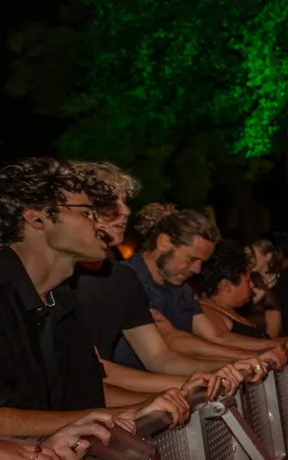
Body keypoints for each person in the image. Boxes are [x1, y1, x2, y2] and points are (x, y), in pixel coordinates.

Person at [0, 157, 189, 437]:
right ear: (37, 218)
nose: (99, 224)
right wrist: (126, 413)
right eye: (87, 213)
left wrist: (157, 400)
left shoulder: (61, 298)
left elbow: (86, 394)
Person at [68, 161, 246, 400]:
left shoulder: (123, 278)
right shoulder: (60, 280)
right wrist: (173, 392)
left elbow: (158, 356)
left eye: (124, 202)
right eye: (111, 204)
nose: (126, 211)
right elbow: (94, 375)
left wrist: (214, 374)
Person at [121, 204, 288, 371]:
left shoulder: (179, 284)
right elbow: (173, 341)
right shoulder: (129, 280)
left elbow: (217, 337)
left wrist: (281, 345)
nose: (197, 270)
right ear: (163, 242)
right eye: (191, 259)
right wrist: (248, 358)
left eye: (201, 262)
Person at [193, 241, 270, 339]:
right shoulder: (209, 315)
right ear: (226, 285)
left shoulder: (229, 311)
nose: (252, 285)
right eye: (248, 281)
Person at [244, 239, 284, 337]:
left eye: (252, 256)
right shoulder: (250, 282)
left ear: (268, 256)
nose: (249, 260)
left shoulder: (284, 280)